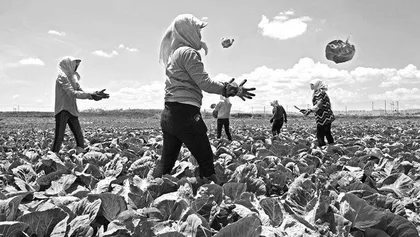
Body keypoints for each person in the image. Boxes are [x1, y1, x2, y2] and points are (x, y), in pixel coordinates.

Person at [155, 14, 255, 183]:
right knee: (205, 159)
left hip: (169, 115)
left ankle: (150, 192)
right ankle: (213, 199)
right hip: (186, 115)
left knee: (166, 163)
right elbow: (205, 83)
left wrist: (226, 88)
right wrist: (230, 89)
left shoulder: (174, 56)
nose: (200, 35)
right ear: (187, 31)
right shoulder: (188, 52)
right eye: (197, 30)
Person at [52, 56, 109, 154]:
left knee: (79, 138)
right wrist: (91, 95)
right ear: (68, 64)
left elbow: (81, 91)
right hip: (62, 110)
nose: (76, 67)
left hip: (72, 110)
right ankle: (51, 161)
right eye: (74, 65)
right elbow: (72, 93)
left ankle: (80, 158)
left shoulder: (72, 79)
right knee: (59, 139)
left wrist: (94, 94)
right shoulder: (62, 77)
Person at [303, 79, 335, 147]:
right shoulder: (319, 92)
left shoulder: (319, 92)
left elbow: (319, 104)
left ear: (316, 85)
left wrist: (310, 110)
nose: (311, 86)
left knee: (320, 135)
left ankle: (323, 149)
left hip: (323, 118)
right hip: (326, 116)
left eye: (312, 84)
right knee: (327, 133)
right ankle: (332, 148)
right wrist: (308, 110)